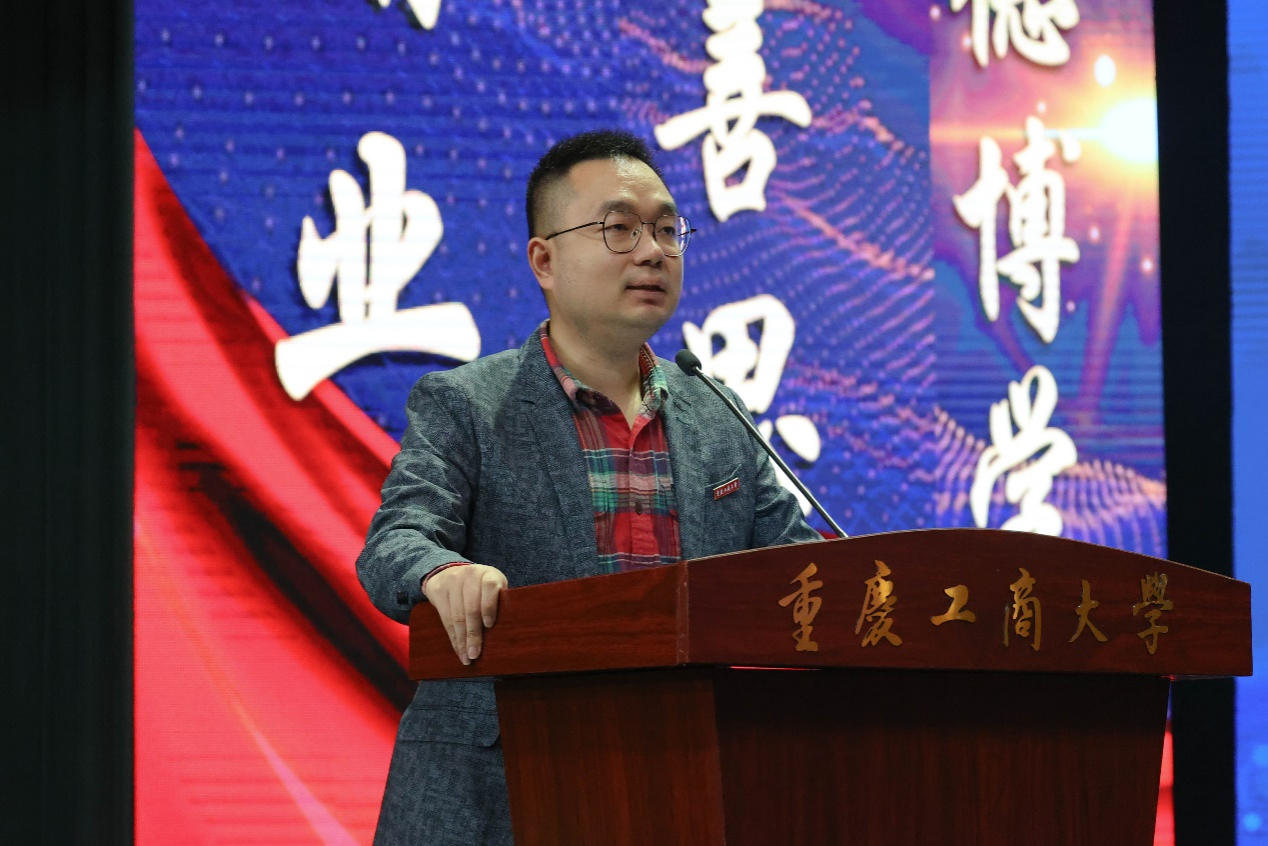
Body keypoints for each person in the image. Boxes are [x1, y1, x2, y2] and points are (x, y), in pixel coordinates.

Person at [356, 128, 821, 846]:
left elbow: (801, 573)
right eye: (620, 229)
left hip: (683, 785)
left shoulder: (716, 411)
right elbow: (396, 541)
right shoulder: (468, 405)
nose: (653, 252)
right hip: (501, 793)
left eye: (667, 230)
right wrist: (442, 572)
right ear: (544, 259)